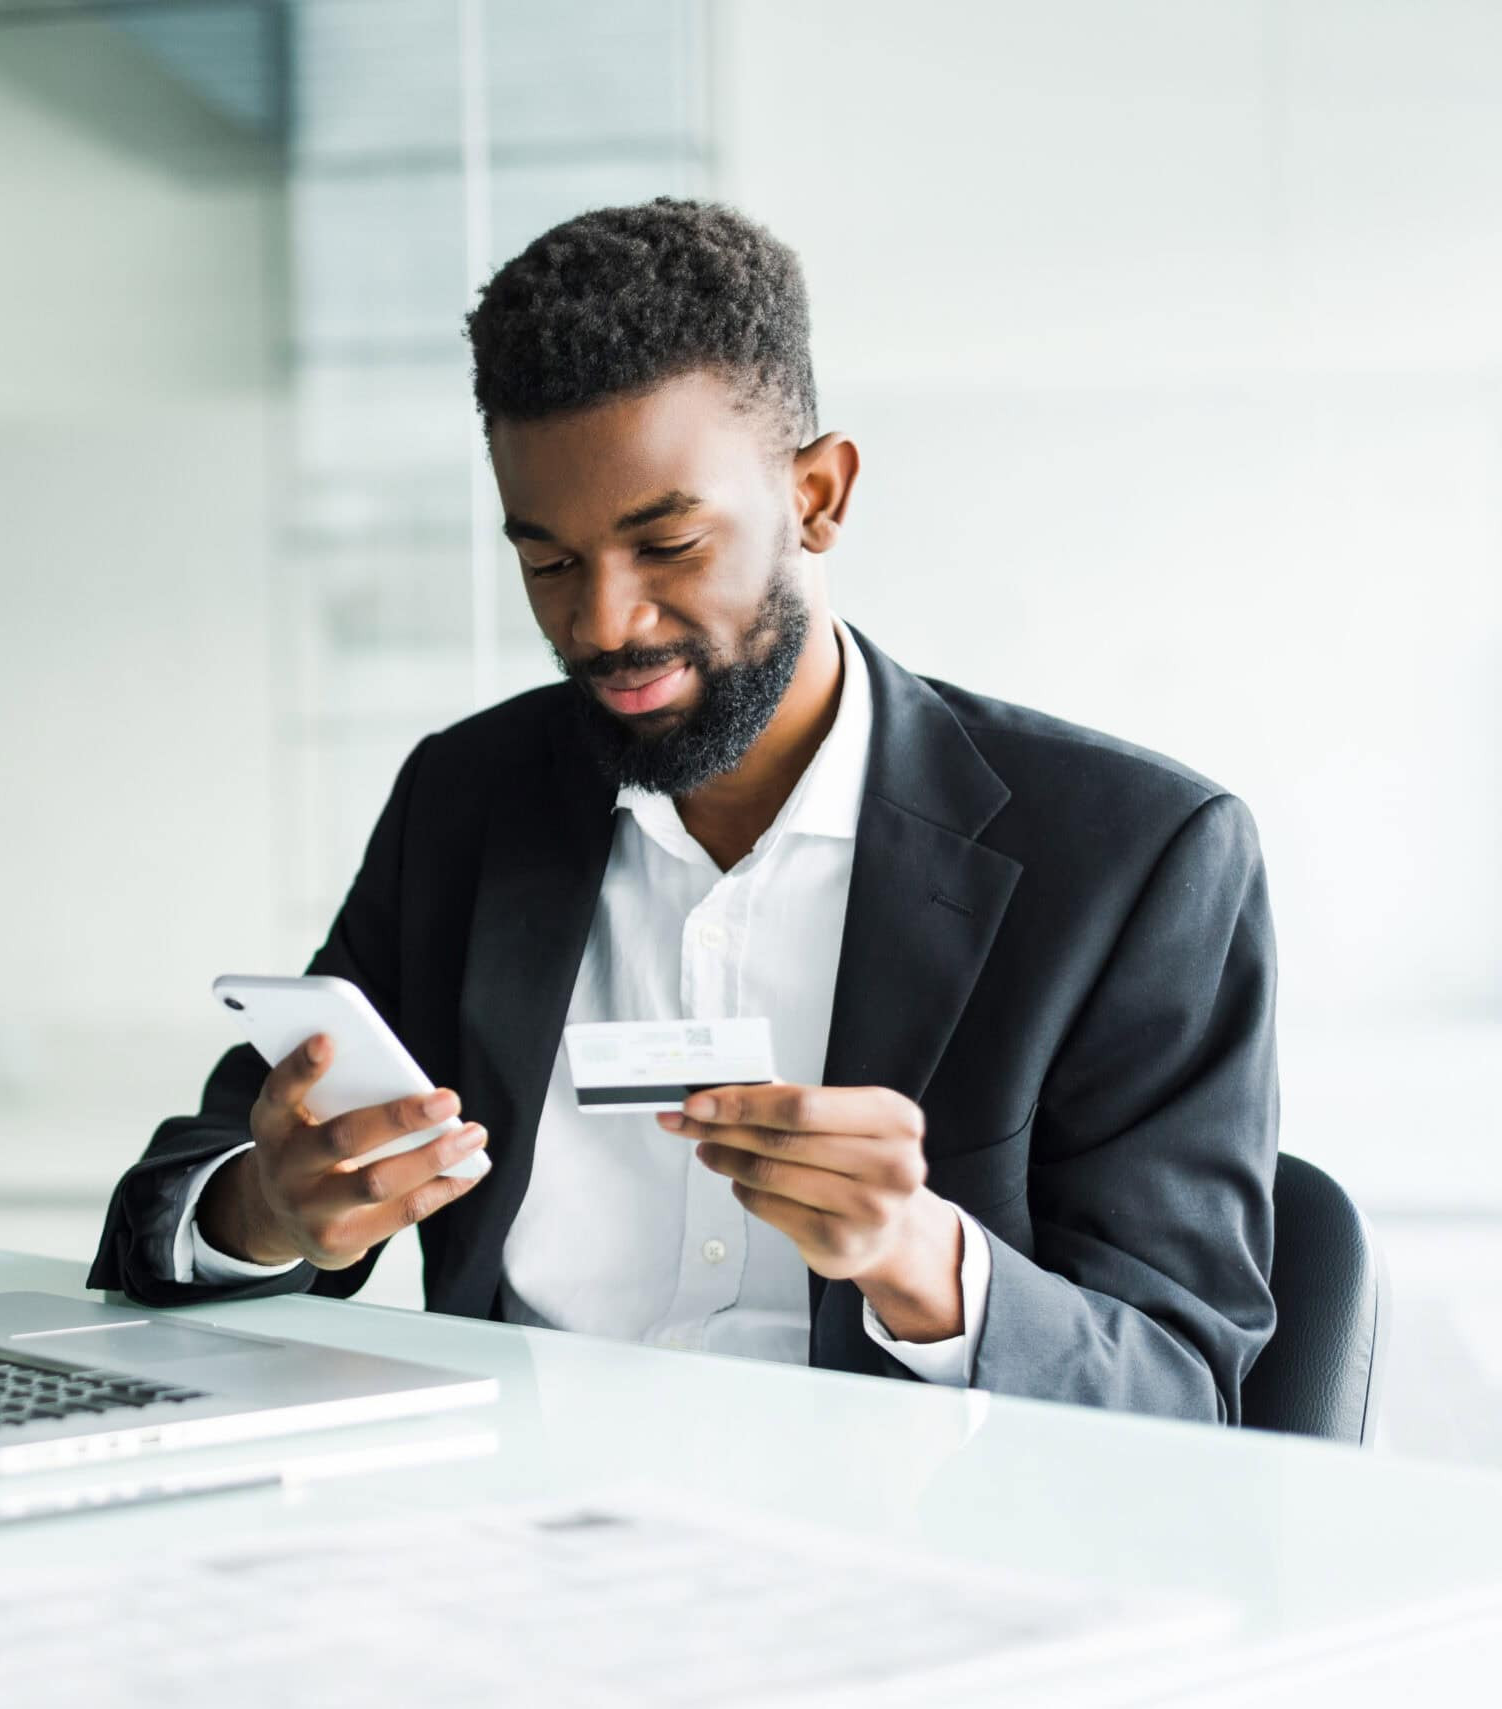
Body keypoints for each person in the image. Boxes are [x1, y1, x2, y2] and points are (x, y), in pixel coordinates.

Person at [87, 199, 1277, 1420]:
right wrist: (270, 1210)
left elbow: (1184, 1390)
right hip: (510, 1537)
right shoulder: (469, 799)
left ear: (816, 497)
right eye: (548, 562)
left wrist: (928, 1264)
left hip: (914, 1549)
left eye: (667, 545)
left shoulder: (1135, 860)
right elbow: (167, 1210)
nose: (601, 623)